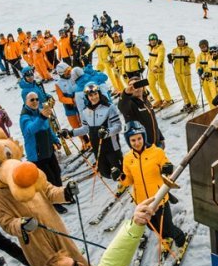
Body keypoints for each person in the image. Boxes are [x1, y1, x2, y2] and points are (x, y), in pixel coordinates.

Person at [117, 121, 185, 251]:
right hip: (142, 201)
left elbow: (166, 165)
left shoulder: (156, 152)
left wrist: (167, 168)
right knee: (152, 225)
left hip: (159, 198)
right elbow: (128, 180)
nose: (137, 143)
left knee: (168, 226)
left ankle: (181, 240)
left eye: (139, 138)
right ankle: (165, 238)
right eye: (133, 140)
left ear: (143, 137)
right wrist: (120, 177)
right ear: (128, 141)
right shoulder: (128, 158)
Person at [60, 83, 122, 180]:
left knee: (118, 171)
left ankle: (123, 183)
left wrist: (107, 132)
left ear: (99, 93)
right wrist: (70, 133)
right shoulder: (85, 111)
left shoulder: (109, 107)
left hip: (111, 146)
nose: (93, 97)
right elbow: (85, 129)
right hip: (97, 147)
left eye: (95, 94)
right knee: (105, 172)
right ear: (87, 97)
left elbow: (118, 126)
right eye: (90, 95)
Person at [20, 91, 64, 209]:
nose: (35, 102)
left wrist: (55, 140)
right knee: (48, 178)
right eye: (32, 100)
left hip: (48, 150)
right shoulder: (25, 117)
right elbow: (31, 129)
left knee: (57, 173)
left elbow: (48, 129)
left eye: (36, 99)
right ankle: (55, 202)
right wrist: (42, 117)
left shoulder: (40, 112)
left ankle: (62, 196)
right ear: (26, 102)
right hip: (38, 154)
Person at [118, 76, 164, 148]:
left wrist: (161, 138)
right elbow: (121, 106)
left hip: (156, 145)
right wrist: (126, 93)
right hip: (143, 147)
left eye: (137, 85)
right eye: (131, 86)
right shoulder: (129, 104)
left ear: (142, 87)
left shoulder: (146, 101)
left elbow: (153, 121)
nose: (135, 89)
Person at [169, 34, 197, 112]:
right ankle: (187, 102)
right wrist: (170, 60)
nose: (181, 42)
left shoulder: (189, 50)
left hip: (186, 72)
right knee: (182, 89)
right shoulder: (174, 50)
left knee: (188, 88)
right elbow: (172, 59)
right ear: (177, 42)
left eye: (182, 41)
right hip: (177, 72)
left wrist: (187, 60)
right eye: (179, 41)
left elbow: (193, 59)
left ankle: (194, 103)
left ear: (184, 41)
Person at [146, 33, 172, 107]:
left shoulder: (161, 48)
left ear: (157, 40)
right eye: (151, 40)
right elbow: (152, 57)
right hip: (151, 69)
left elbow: (160, 58)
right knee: (151, 84)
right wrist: (148, 63)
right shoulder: (151, 47)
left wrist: (156, 66)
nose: (153, 42)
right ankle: (158, 100)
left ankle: (168, 99)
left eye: (154, 40)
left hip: (158, 69)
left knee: (161, 84)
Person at [196, 39, 216, 107]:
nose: (203, 48)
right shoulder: (199, 56)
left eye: (204, 46)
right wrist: (199, 70)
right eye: (201, 47)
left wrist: (206, 71)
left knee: (214, 95)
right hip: (203, 79)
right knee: (208, 96)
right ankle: (212, 109)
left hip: (211, 78)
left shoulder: (211, 54)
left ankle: (217, 107)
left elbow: (212, 64)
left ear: (207, 46)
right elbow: (197, 65)